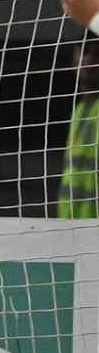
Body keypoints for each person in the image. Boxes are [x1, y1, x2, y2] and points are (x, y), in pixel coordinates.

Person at [58, 30, 99, 218]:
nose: (90, 60)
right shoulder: (79, 111)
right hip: (70, 223)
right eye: (85, 52)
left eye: (98, 54)